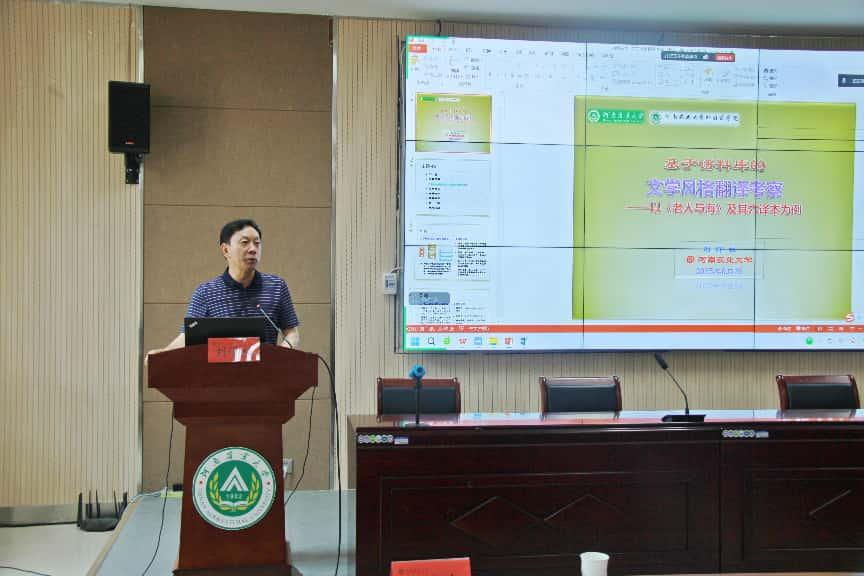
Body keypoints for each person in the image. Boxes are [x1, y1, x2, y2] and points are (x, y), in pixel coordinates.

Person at [146, 218, 299, 360]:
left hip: (267, 374)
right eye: (245, 242)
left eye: (257, 243)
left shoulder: (276, 286)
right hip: (220, 376)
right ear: (226, 250)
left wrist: (281, 354)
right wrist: (164, 353)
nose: (253, 249)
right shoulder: (206, 292)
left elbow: (292, 332)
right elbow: (187, 336)